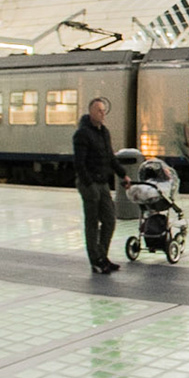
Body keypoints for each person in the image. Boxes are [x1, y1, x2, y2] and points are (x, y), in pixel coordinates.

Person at [73, 97, 121, 274]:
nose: (103, 114)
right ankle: (95, 260)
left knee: (109, 220)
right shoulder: (82, 134)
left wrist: (123, 175)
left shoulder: (104, 132)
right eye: (99, 111)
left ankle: (102, 255)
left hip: (102, 182)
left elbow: (110, 157)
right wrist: (89, 183)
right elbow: (79, 163)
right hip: (90, 184)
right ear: (91, 112)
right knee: (92, 223)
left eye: (103, 111)